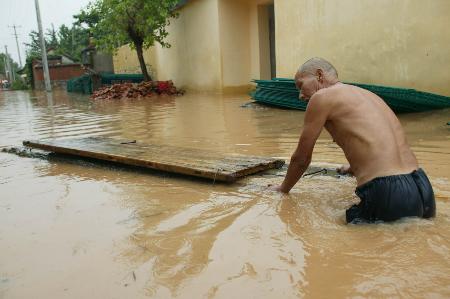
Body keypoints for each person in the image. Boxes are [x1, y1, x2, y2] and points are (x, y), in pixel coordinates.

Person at [271, 57, 436, 224]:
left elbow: (302, 158)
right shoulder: (367, 95)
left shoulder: (322, 97)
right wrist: (352, 168)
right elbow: (379, 139)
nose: (300, 95)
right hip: (422, 187)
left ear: (319, 75)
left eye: (301, 85)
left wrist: (283, 189)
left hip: (388, 191)